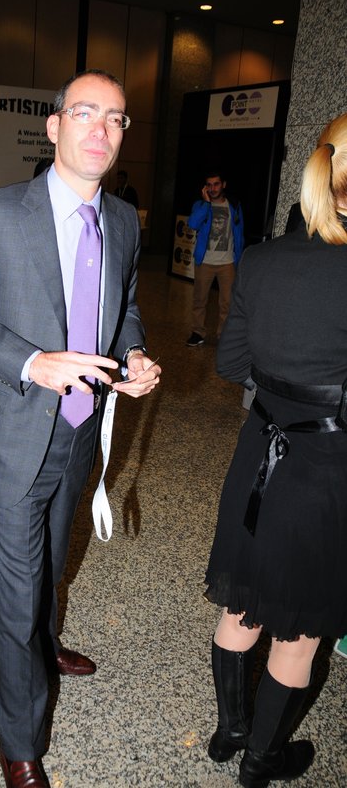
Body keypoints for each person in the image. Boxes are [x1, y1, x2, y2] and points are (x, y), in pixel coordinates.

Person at [0, 68, 161, 788]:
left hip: (83, 430)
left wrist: (133, 354)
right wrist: (33, 361)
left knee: (55, 558)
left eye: (116, 118)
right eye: (85, 113)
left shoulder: (123, 219)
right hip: (18, 437)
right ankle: (22, 741)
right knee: (19, 588)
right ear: (56, 126)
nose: (101, 129)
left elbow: (123, 305)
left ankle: (46, 642)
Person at [203, 112, 347, 788]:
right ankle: (262, 761)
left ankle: (231, 730)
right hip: (326, 475)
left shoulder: (261, 259)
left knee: (242, 605)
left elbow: (231, 363)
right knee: (299, 632)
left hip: (258, 457)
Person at [186, 171, 244, 346]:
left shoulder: (234, 205)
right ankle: (198, 332)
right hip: (205, 261)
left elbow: (239, 232)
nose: (213, 188)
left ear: (223, 184)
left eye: (216, 184)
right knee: (199, 300)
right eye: (209, 185)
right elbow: (193, 224)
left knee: (227, 302)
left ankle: (223, 335)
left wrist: (239, 257)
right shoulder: (200, 205)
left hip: (227, 262)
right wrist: (206, 203)